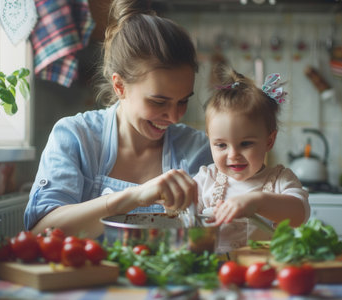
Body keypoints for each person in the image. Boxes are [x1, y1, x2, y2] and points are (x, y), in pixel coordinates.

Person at [24, 0, 212, 239]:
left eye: (183, 101)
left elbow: (215, 235)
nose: (174, 117)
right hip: (86, 276)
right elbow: (42, 232)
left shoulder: (196, 150)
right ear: (120, 86)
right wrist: (133, 197)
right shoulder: (76, 137)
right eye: (158, 101)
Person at [194, 67, 309, 253]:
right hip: (216, 273)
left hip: (264, 274)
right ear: (210, 140)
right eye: (221, 145)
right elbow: (181, 216)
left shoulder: (280, 179)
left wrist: (256, 201)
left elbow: (300, 214)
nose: (233, 155)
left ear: (269, 141)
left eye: (245, 144)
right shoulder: (206, 179)